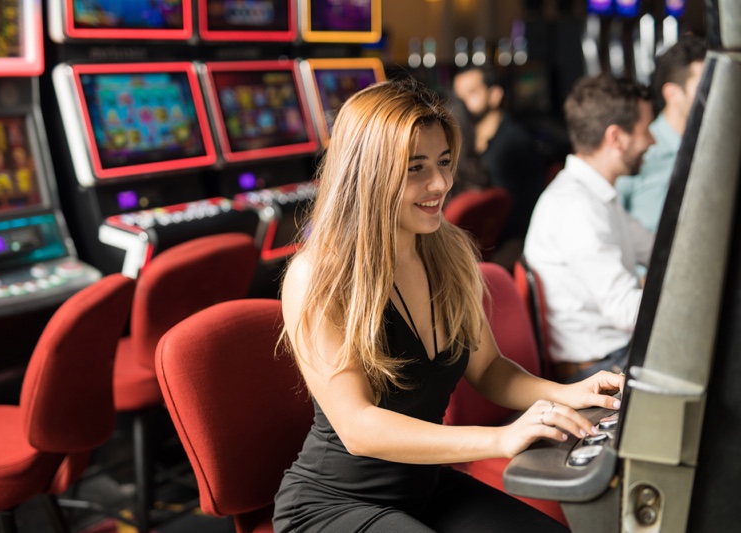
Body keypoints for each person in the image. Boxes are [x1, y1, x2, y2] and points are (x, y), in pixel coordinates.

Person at [272, 78, 624, 532]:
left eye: (443, 162)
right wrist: (500, 439)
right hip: (333, 504)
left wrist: (566, 393)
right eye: (415, 167)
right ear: (367, 172)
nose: (440, 183)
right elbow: (357, 428)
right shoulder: (318, 275)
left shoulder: (448, 252)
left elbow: (490, 370)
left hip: (425, 486)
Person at [523, 74, 656, 384]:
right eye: (646, 129)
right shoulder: (577, 207)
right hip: (598, 369)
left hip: (616, 353)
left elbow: (659, 250)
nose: (653, 140)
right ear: (616, 137)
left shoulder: (596, 196)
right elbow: (626, 310)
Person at [452, 64, 546, 262]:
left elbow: (512, 213)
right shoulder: (468, 141)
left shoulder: (511, 142)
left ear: (495, 95)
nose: (462, 102)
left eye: (471, 93)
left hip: (510, 246)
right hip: (480, 247)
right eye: (458, 96)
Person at [615, 35, 707, 232]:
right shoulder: (637, 151)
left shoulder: (720, 148)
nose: (715, 96)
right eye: (705, 88)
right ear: (673, 94)